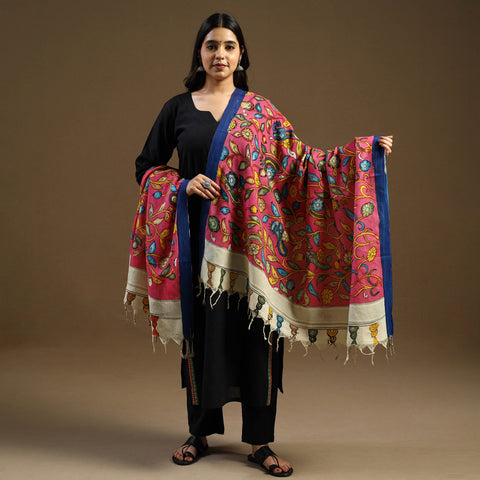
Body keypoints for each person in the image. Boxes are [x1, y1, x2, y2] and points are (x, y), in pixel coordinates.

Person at [131, 12, 394, 477]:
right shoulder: (177, 109)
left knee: (259, 341)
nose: (220, 55)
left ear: (241, 55)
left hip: (256, 251)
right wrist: (184, 184)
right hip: (201, 250)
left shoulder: (261, 112)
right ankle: (199, 433)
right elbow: (146, 167)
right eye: (212, 45)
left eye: (229, 46)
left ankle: (260, 442)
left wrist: (361, 153)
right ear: (199, 52)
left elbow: (304, 165)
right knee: (202, 339)